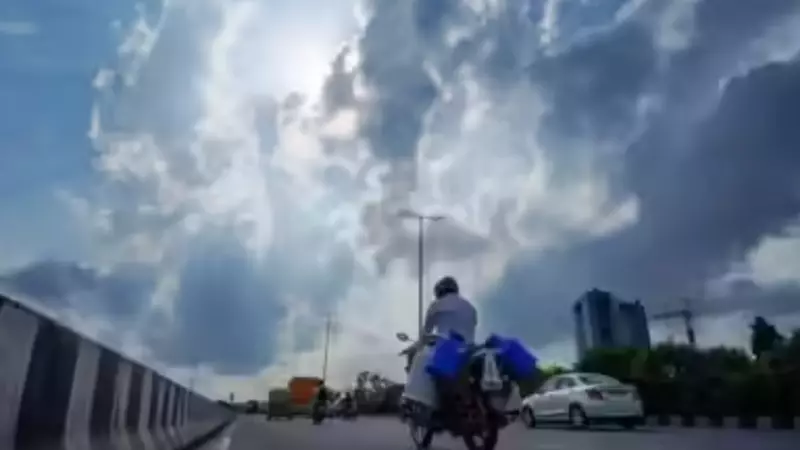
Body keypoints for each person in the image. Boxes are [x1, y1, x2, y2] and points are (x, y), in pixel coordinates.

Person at [423, 276, 477, 343]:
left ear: (440, 291)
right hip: (468, 347)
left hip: (446, 346)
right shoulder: (471, 308)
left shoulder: (436, 305)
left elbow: (426, 333)